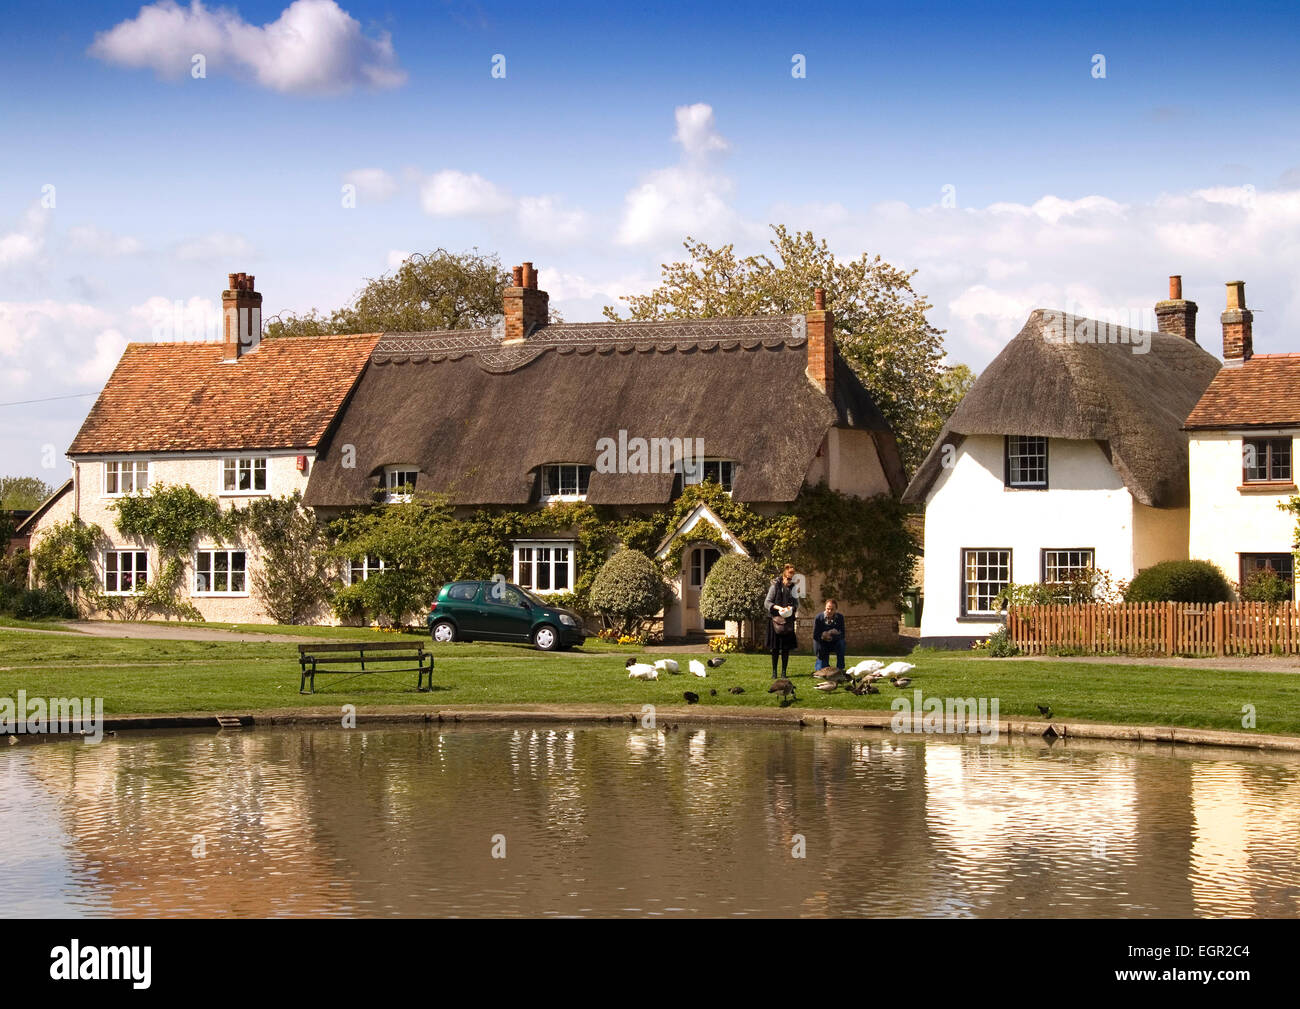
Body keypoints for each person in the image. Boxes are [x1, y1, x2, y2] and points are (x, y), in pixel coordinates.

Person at [764, 564, 800, 678]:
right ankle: (774, 673)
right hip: (775, 621)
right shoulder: (775, 586)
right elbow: (767, 603)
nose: (790, 581)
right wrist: (779, 608)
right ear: (783, 577)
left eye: (792, 579)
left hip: (788, 622)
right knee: (775, 649)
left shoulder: (793, 588)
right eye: (788, 579)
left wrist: (791, 608)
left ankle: (784, 673)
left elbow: (796, 604)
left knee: (785, 649)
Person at [813, 598, 846, 672]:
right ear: (825, 608)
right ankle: (822, 665)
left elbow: (842, 634)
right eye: (828, 609)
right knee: (822, 670)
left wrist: (832, 635)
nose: (830, 611)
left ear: (836, 609)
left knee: (841, 643)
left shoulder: (840, 618)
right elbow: (815, 635)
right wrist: (823, 636)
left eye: (832, 609)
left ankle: (840, 668)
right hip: (822, 643)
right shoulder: (818, 618)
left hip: (834, 642)